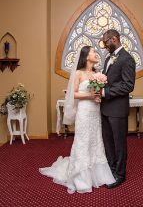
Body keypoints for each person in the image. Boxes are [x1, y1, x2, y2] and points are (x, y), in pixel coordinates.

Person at [39, 46, 115, 194]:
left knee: (96, 141)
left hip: (95, 111)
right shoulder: (78, 73)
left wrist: (98, 96)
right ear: (86, 56)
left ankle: (97, 173)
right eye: (93, 52)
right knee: (83, 141)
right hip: (84, 111)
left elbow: (98, 92)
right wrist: (90, 96)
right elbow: (73, 94)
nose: (96, 54)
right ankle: (80, 176)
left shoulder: (97, 73)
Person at [100, 29, 136, 189]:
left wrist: (104, 92)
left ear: (113, 39)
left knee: (119, 144)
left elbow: (128, 85)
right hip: (105, 108)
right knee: (108, 143)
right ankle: (111, 170)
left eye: (106, 43)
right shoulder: (109, 57)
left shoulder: (127, 59)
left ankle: (120, 175)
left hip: (118, 109)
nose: (105, 47)